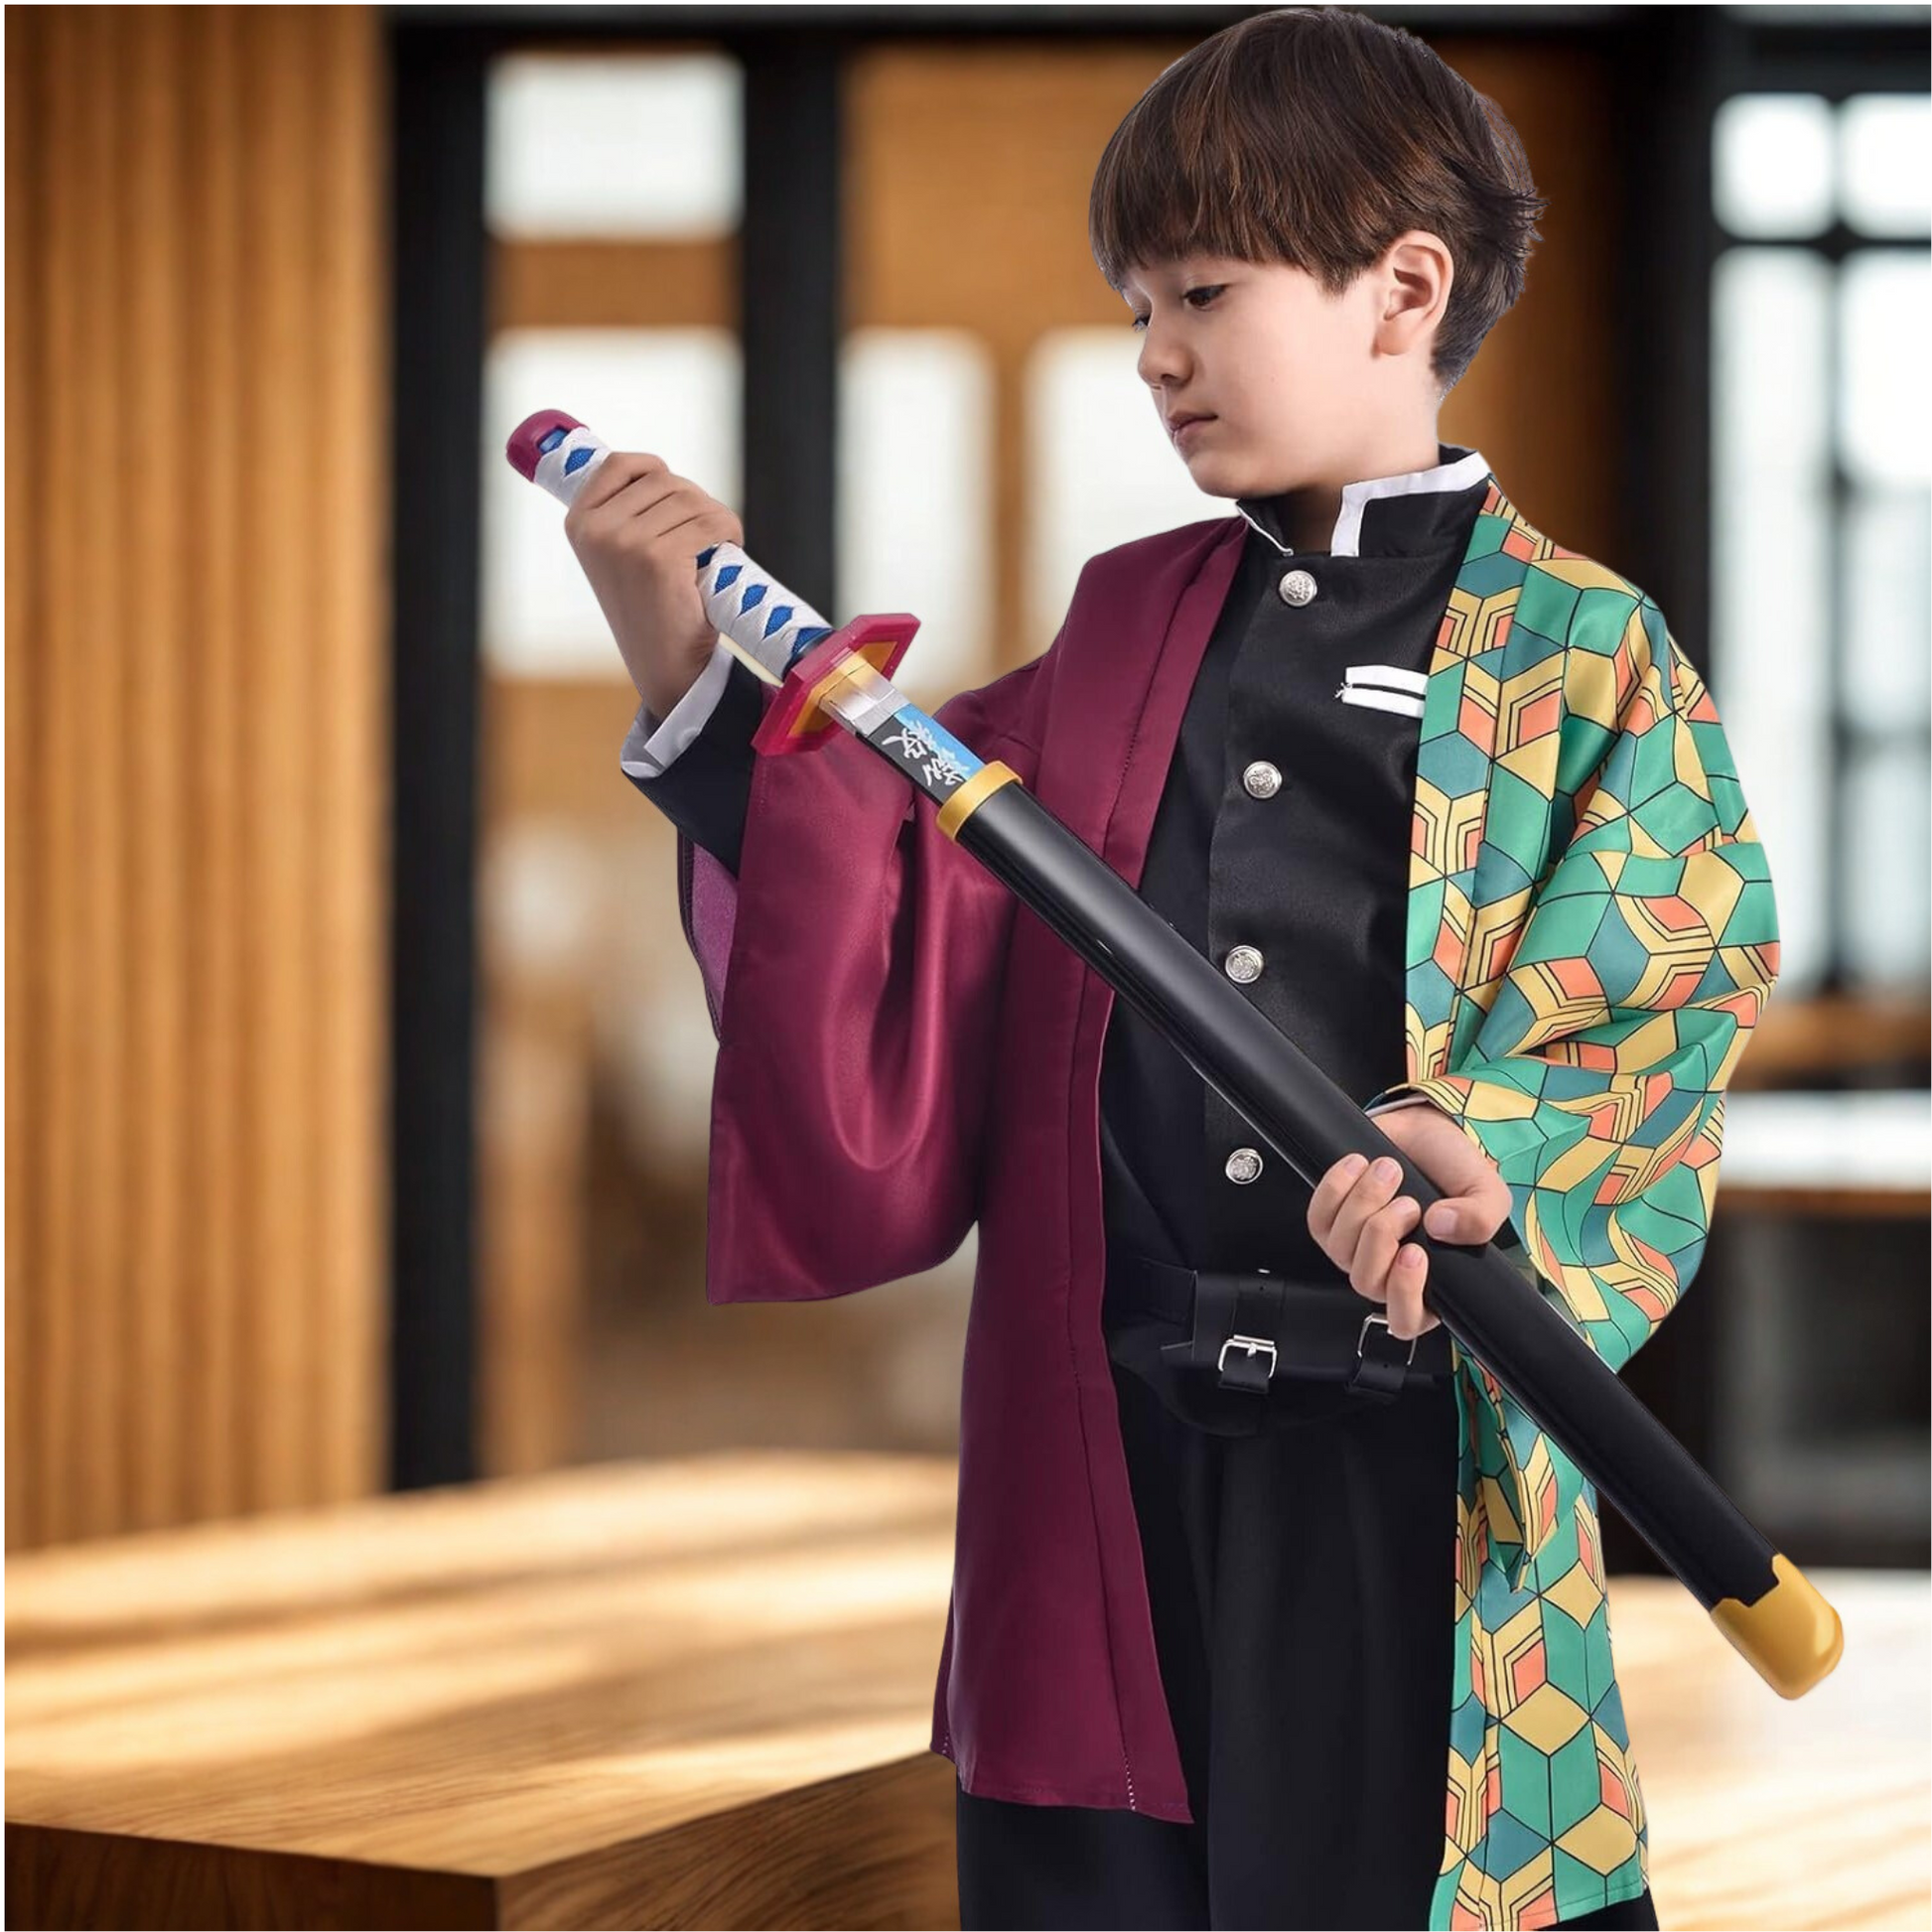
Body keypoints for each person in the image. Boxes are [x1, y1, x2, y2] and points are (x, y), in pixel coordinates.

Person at [565, 11, 1777, 1925]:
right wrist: (688, 678)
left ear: (1401, 290)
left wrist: (1485, 1147)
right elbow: (897, 872)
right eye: (1137, 302)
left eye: (1201, 292)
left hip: (1406, 1442)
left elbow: (1662, 982)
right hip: (1109, 1441)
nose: (1154, 355)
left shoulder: (1583, 654)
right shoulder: (1126, 623)